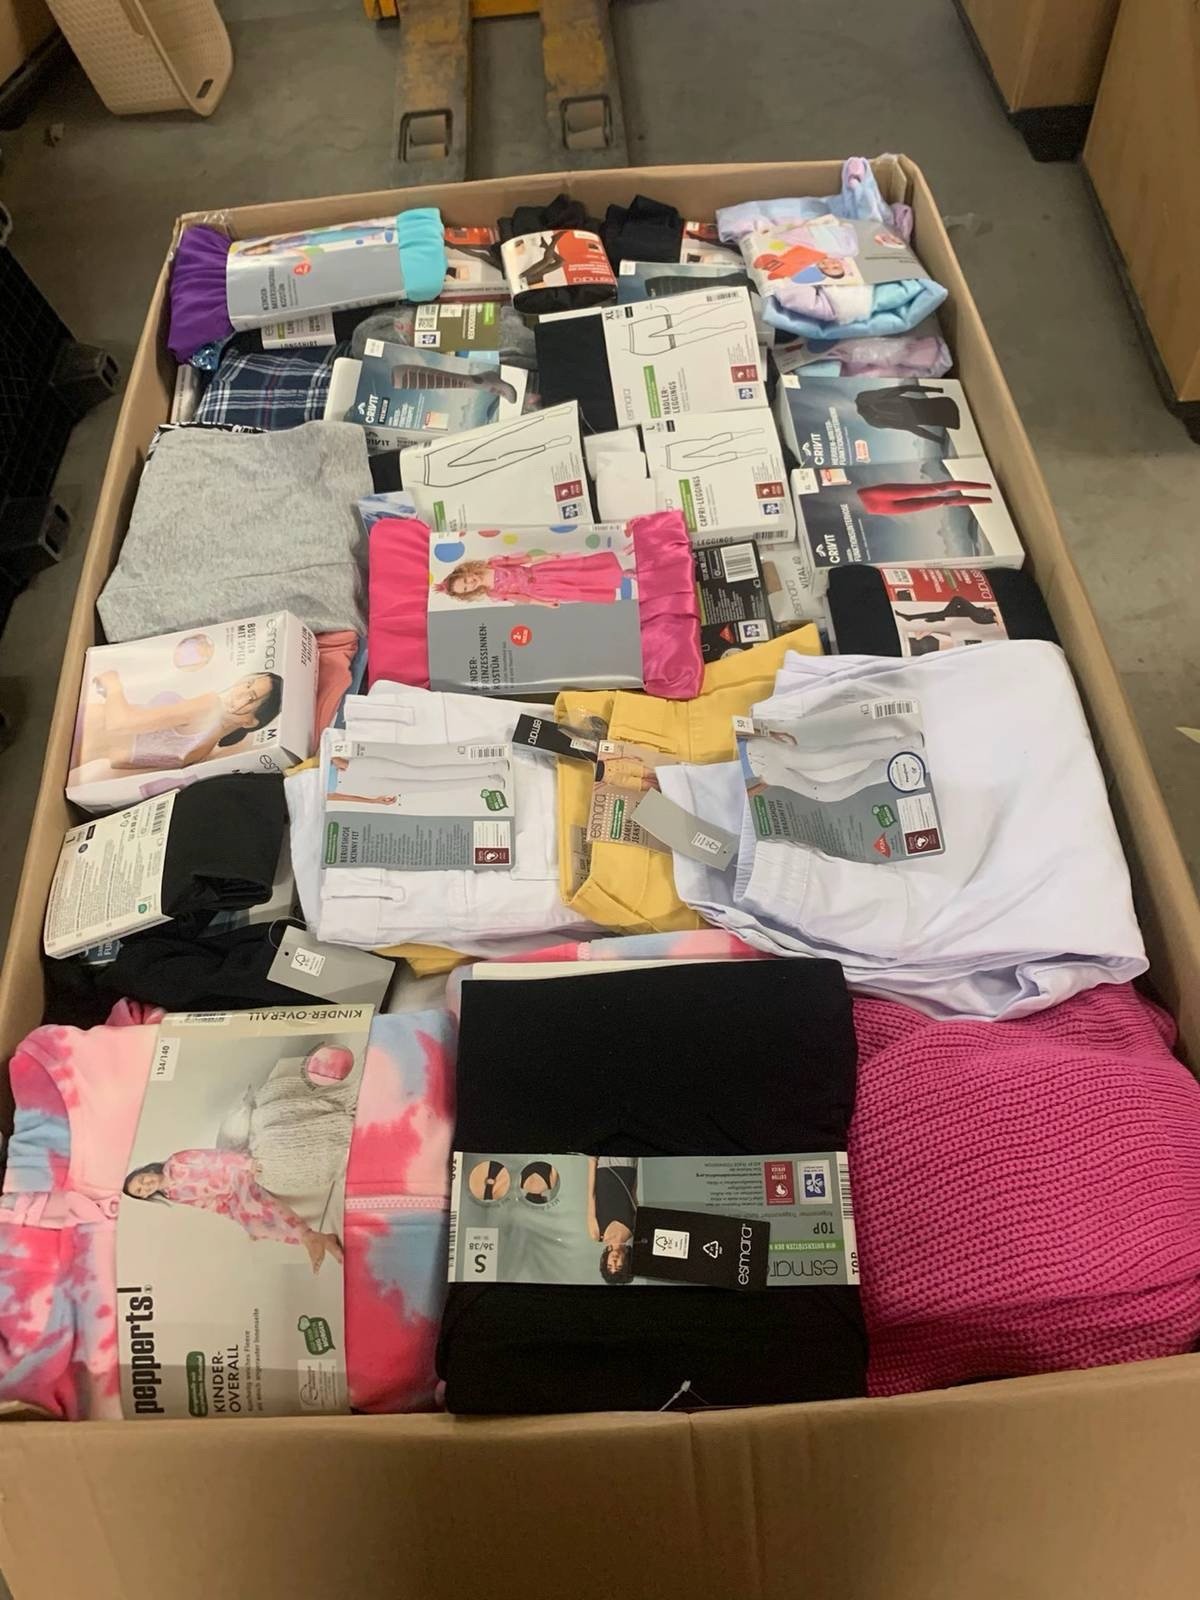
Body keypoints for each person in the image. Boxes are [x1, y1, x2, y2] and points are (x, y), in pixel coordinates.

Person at [123, 1151, 344, 1274]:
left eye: (142, 1180)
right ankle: (321, 1239)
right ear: (147, 1196)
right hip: (230, 1197)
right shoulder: (173, 1195)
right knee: (253, 1227)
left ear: (146, 1171)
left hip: (235, 1175)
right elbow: (209, 1204)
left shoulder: (176, 1163)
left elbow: (214, 1158)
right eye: (141, 1191)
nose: (146, 1185)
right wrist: (234, 1217)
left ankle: (308, 1236)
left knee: (254, 1204)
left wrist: (246, 1164)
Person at [75, 670, 283, 775]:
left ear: (249, 722)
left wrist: (113, 683)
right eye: (248, 684)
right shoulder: (202, 753)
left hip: (82, 724)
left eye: (251, 697)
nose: (240, 692)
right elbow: (119, 760)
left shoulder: (209, 705)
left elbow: (119, 723)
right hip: (79, 758)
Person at [437, 549, 628, 608]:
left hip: (542, 572)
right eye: (466, 589)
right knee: (575, 589)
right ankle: (616, 581)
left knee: (578, 571)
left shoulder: (492, 564)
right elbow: (522, 598)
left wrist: (545, 557)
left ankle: (620, 571)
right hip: (541, 590)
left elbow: (522, 560)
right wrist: (543, 603)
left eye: (466, 580)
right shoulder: (492, 593)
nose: (470, 584)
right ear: (468, 593)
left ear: (466, 572)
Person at [587, 1157, 639, 1285]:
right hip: (627, 1166)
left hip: (602, 1169)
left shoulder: (596, 1234)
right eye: (619, 1267)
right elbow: (633, 1192)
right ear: (627, 1263)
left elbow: (591, 1197)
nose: (614, 1262)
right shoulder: (634, 1228)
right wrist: (635, 1166)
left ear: (605, 1262)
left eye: (610, 1266)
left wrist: (592, 1162)